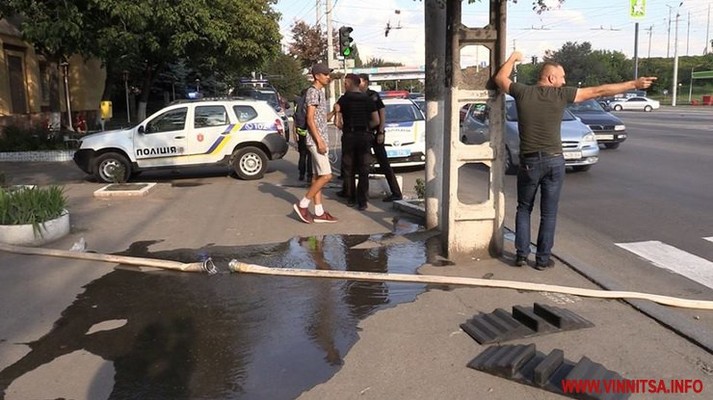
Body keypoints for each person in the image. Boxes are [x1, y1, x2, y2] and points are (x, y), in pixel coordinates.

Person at [494, 51, 656, 270]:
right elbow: (600, 90)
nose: (564, 81)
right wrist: (634, 84)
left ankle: (521, 255)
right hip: (554, 161)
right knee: (549, 213)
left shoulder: (522, 92)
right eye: (562, 77)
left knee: (524, 208)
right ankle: (542, 259)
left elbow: (500, 78)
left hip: (530, 162)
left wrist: (513, 58)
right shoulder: (561, 95)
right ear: (551, 78)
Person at [293, 63, 338, 224]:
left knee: (317, 176)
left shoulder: (319, 92)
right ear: (317, 76)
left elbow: (321, 119)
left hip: (319, 139)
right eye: (325, 74)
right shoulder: (313, 92)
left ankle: (319, 212)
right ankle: (303, 205)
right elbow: (310, 119)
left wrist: (334, 112)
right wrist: (319, 141)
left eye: (328, 74)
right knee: (327, 175)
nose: (328, 77)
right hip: (316, 140)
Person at [335, 73, 379, 210]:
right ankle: (363, 201)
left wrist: (343, 124)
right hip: (364, 136)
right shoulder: (368, 99)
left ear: (349, 84)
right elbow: (376, 120)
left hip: (349, 136)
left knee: (349, 169)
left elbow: (337, 123)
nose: (344, 86)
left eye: (345, 83)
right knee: (364, 169)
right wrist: (366, 128)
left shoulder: (343, 100)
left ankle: (351, 198)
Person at [358, 74, 402, 202]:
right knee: (363, 164)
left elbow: (381, 113)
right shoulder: (357, 96)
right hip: (364, 134)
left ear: (366, 82)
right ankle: (362, 195)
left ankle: (396, 193)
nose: (358, 84)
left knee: (384, 163)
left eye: (359, 81)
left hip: (375, 133)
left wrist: (381, 132)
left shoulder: (373, 95)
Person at [293, 88, 313, 181]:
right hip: (309, 131)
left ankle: (301, 174)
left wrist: (294, 134)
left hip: (301, 132)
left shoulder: (298, 104)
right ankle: (309, 175)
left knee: (302, 154)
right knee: (310, 155)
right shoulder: (309, 103)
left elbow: (295, 121)